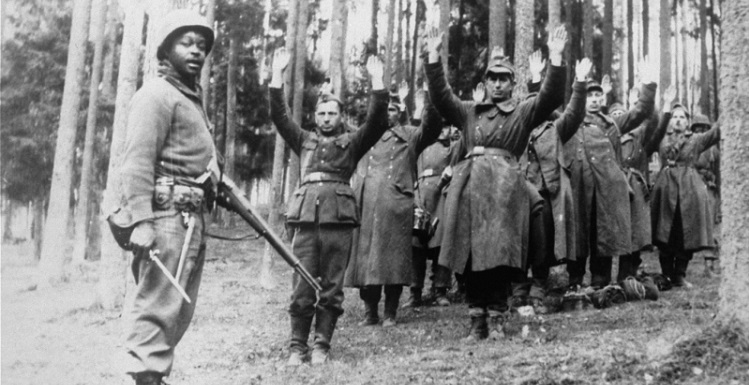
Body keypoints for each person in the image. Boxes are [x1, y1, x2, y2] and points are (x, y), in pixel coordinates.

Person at [424, 25, 567, 340]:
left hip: (505, 191)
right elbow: (440, 96)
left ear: (513, 84)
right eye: (493, 78)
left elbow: (551, 96)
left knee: (502, 256)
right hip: (471, 189)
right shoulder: (469, 112)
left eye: (504, 79)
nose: (498, 84)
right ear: (485, 82)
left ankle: (499, 319)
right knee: (473, 256)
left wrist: (556, 59)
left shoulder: (522, 112)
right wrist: (433, 56)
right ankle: (477, 322)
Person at [269, 49, 389, 365]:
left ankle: (321, 345)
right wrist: (276, 77)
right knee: (302, 285)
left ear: (340, 116)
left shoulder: (352, 141)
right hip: (306, 220)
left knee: (332, 287)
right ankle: (297, 347)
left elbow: (377, 121)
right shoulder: (303, 139)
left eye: (332, 114)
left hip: (338, 222)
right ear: (314, 117)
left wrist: (378, 82)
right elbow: (280, 117)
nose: (326, 119)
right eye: (321, 114)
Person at [117, 10, 216, 385]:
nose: (196, 52)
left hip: (190, 218)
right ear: (166, 48)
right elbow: (136, 162)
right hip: (167, 218)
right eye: (186, 43)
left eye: (202, 46)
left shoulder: (189, 99)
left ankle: (153, 378)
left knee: (177, 310)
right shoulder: (156, 94)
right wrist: (142, 221)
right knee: (157, 307)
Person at [345, 80, 443, 327]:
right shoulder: (364, 136)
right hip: (366, 207)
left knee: (394, 263)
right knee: (366, 262)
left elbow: (431, 128)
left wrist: (428, 100)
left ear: (399, 113)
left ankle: (390, 312)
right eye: (385, 108)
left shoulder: (409, 135)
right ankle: (370, 313)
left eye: (393, 109)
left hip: (396, 207)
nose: (388, 113)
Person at [563, 62, 657, 291]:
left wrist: (647, 85)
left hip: (605, 188)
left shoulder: (613, 124)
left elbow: (641, 113)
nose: (594, 99)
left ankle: (600, 281)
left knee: (602, 232)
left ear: (603, 99)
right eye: (589, 96)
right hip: (578, 185)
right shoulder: (571, 121)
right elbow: (544, 108)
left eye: (598, 95)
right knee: (578, 233)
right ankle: (575, 281)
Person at [513, 54, 593, 311]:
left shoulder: (555, 129)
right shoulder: (515, 129)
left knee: (542, 241)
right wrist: (534, 81)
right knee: (516, 239)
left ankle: (538, 286)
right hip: (517, 193)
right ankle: (517, 288)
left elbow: (574, 112)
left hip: (547, 193)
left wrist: (580, 83)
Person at [651, 105, 721, 287]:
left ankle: (679, 275)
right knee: (665, 232)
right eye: (675, 117)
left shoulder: (696, 140)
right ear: (670, 120)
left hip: (689, 190)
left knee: (685, 232)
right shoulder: (661, 138)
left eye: (682, 117)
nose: (679, 120)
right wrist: (664, 110)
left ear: (688, 122)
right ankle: (666, 274)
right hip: (665, 189)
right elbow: (651, 125)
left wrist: (728, 108)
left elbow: (715, 133)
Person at [616, 85, 676, 281]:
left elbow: (655, 128)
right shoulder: (609, 138)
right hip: (615, 188)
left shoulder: (641, 139)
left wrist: (665, 107)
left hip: (636, 190)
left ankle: (630, 272)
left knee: (636, 233)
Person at [691, 114, 721, 275]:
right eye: (697, 128)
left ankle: (709, 265)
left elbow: (717, 171)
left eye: (703, 129)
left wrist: (717, 190)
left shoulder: (713, 150)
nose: (699, 132)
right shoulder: (690, 145)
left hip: (709, 188)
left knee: (709, 226)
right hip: (693, 187)